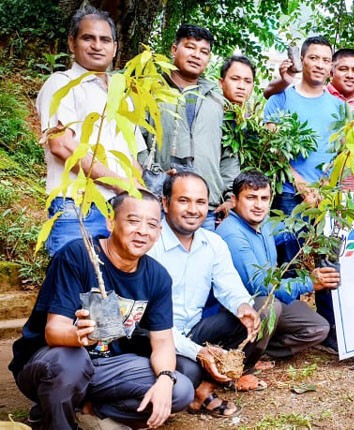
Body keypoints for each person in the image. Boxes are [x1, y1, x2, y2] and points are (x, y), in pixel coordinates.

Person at [9, 191, 194, 429]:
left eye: (151, 225)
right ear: (111, 221)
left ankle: (88, 410)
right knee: (71, 361)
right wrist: (78, 336)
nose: (142, 231)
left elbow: (163, 343)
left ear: (159, 232)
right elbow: (53, 331)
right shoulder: (78, 255)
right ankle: (58, 419)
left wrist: (165, 380)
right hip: (52, 361)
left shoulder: (157, 277)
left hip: (108, 366)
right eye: (133, 220)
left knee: (180, 389)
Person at [148, 172, 268, 417]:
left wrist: (243, 307)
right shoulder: (151, 245)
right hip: (156, 338)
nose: (193, 210)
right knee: (187, 372)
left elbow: (231, 287)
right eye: (184, 201)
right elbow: (150, 322)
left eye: (200, 202)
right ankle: (193, 387)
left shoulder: (212, 243)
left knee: (263, 312)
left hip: (193, 330)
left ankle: (206, 388)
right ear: (164, 203)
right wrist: (197, 352)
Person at [36, 6, 145, 255]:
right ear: (72, 43)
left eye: (105, 39)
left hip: (118, 209)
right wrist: (117, 183)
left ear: (115, 48)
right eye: (88, 38)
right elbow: (61, 145)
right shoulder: (61, 84)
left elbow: (131, 155)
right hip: (77, 204)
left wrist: (137, 192)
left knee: (109, 287)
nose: (97, 45)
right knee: (74, 283)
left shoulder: (121, 94)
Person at [262, 36, 344, 353]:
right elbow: (272, 148)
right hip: (288, 196)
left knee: (327, 261)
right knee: (289, 262)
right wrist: (300, 184)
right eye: (314, 58)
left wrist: (325, 187)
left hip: (326, 198)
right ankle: (287, 331)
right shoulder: (281, 100)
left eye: (326, 60)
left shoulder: (339, 107)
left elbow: (342, 153)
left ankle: (329, 331)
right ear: (302, 61)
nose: (320, 65)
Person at [217, 171, 337, 358]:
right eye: (251, 198)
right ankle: (243, 357)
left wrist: (306, 209)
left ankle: (261, 349)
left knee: (318, 328)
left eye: (264, 198)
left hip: (266, 302)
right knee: (271, 306)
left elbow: (287, 230)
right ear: (234, 200)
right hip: (238, 310)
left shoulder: (263, 223)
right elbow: (259, 286)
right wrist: (307, 282)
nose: (258, 205)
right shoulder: (232, 233)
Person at [139, 24, 238, 230]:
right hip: (160, 202)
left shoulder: (217, 99)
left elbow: (228, 152)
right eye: (190, 47)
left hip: (207, 208)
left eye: (204, 52)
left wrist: (229, 196)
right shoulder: (151, 89)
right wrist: (156, 177)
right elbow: (136, 142)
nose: (196, 55)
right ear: (174, 49)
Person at [264, 48, 354, 106]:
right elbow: (270, 94)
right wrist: (286, 79)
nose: (350, 75)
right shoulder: (311, 96)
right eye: (343, 69)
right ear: (331, 72)